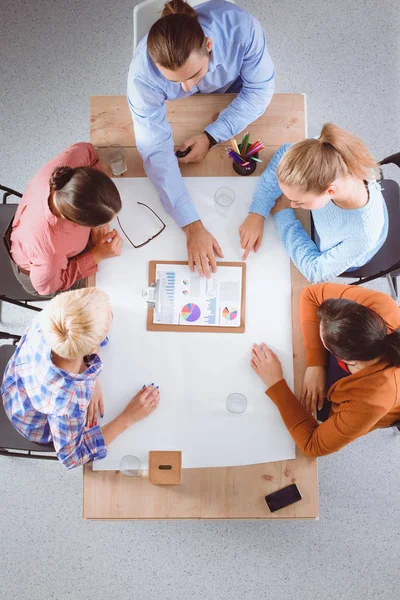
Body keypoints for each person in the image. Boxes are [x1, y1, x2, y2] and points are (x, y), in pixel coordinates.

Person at [128, 0, 275, 277]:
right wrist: (192, 226)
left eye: (194, 75)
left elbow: (259, 92)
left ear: (208, 44)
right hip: (189, 113)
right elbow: (155, 149)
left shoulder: (242, 28)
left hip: (234, 89)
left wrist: (212, 136)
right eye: (175, 82)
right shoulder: (142, 75)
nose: (186, 88)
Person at [1, 288, 160, 469]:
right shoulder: (67, 403)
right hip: (30, 421)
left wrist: (91, 375)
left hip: (16, 382)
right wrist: (128, 417)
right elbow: (72, 457)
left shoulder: (51, 315)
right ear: (90, 346)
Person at [250, 283, 400, 457]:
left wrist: (275, 382)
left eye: (323, 343)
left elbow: (313, 445)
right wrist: (315, 363)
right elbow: (311, 294)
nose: (318, 324)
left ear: (344, 359)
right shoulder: (380, 305)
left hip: (368, 401)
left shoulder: (371, 401)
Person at [239, 123, 388, 283]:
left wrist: (283, 214)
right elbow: (284, 153)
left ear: (330, 191)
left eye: (299, 202)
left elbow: (315, 272)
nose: (292, 204)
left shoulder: (363, 233)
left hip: (345, 251)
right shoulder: (323, 150)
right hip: (329, 229)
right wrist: (258, 212)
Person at [5, 142, 123, 297]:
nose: (104, 225)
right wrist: (96, 255)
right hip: (42, 276)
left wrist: (99, 221)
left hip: (33, 236)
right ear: (76, 222)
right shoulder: (48, 251)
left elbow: (90, 152)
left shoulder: (71, 164)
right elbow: (46, 288)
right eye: (99, 223)